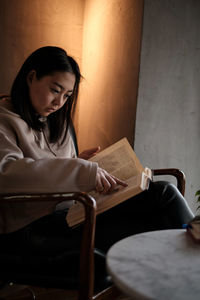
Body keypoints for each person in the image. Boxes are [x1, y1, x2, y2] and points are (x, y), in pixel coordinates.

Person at [0, 46, 194, 280]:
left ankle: (183, 277)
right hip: (32, 228)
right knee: (161, 204)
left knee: (163, 193)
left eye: (67, 95)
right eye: (55, 90)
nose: (59, 102)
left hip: (74, 213)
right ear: (31, 77)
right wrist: (78, 169)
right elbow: (7, 174)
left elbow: (52, 167)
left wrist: (78, 162)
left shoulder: (55, 122)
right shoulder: (4, 120)